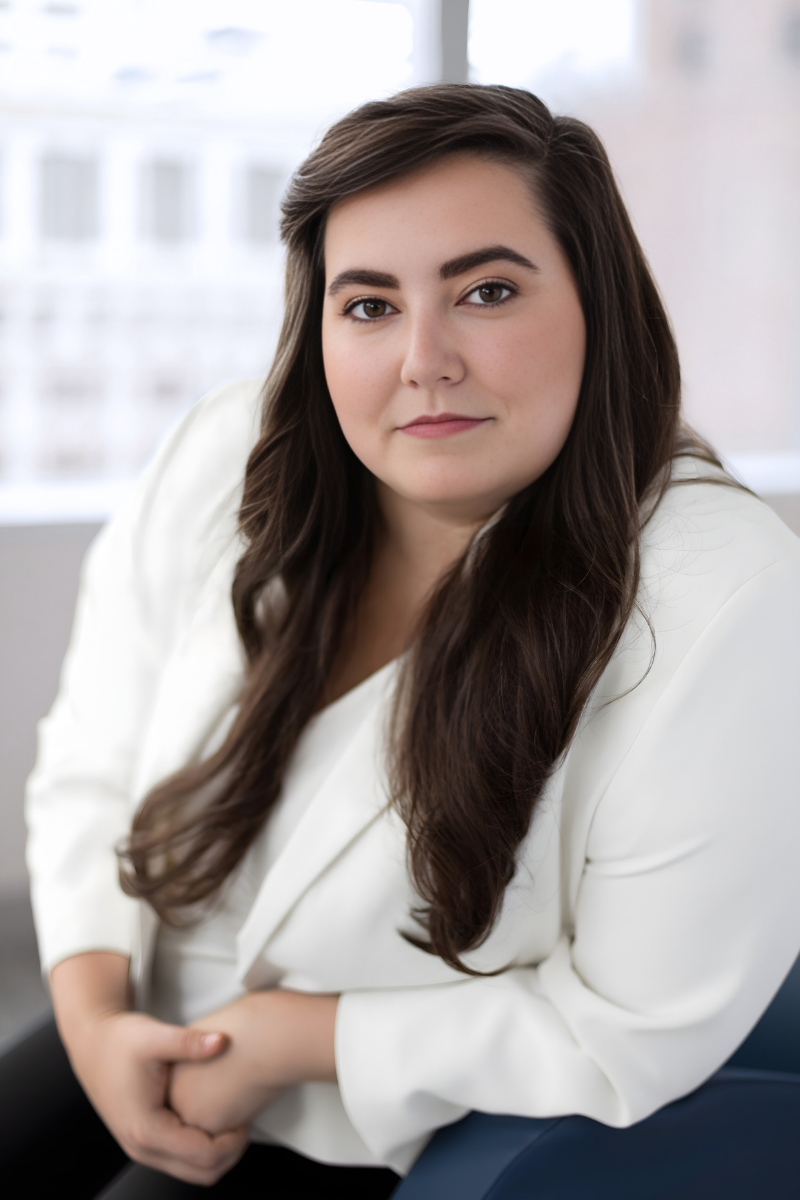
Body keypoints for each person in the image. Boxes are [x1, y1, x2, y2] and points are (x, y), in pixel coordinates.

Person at [11, 84, 800, 1197]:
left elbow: (629, 1027)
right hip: (132, 1012)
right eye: (369, 305)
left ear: (597, 303)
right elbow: (88, 761)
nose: (423, 359)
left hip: (365, 1122)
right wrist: (93, 1016)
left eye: (484, 291)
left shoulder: (721, 591)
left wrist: (293, 1038)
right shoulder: (228, 453)